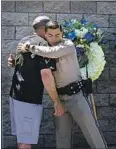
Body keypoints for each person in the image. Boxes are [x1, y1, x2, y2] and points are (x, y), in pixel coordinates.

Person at [17, 21, 107, 149]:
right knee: (62, 137)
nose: (54, 38)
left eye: (57, 35)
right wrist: (13, 61)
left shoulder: (67, 45)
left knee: (93, 134)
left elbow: (53, 52)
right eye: (50, 35)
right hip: (59, 99)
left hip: (77, 97)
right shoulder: (43, 49)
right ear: (45, 34)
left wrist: (29, 47)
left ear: (62, 33)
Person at [8, 16, 64, 149]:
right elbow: (45, 74)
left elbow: (15, 62)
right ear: (44, 29)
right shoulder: (42, 45)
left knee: (22, 138)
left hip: (16, 96)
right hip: (28, 99)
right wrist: (56, 101)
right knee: (26, 141)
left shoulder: (23, 41)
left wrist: (11, 61)